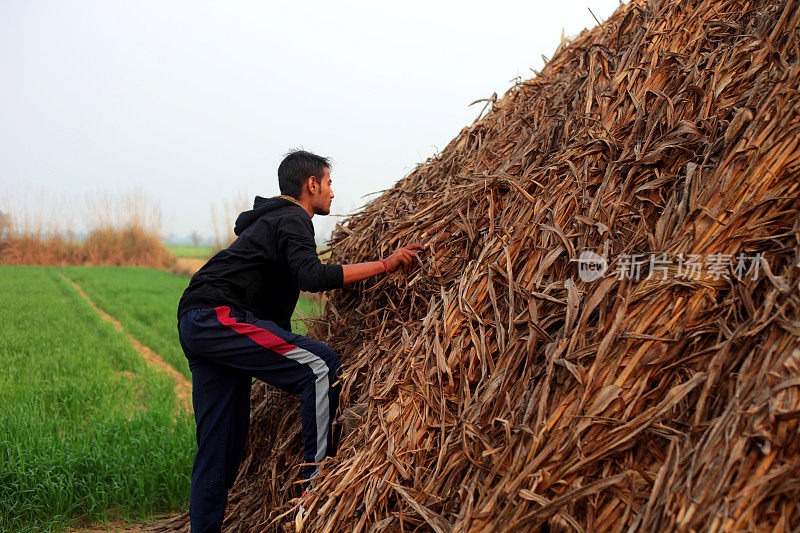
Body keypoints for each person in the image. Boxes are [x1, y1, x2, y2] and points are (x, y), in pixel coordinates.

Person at [176, 149, 424, 533]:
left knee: (220, 447)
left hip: (199, 320)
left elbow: (275, 316)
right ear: (311, 185)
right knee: (321, 367)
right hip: (217, 316)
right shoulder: (293, 217)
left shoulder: (271, 220)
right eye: (328, 184)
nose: (332, 193)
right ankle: (318, 490)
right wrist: (385, 264)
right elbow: (312, 276)